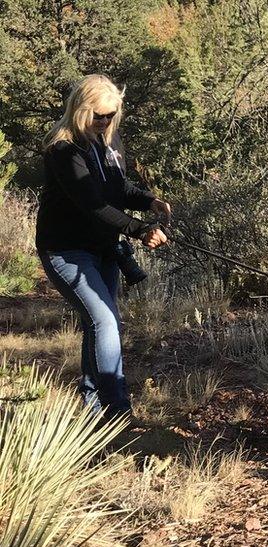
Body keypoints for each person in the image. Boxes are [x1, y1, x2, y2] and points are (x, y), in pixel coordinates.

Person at [36, 74, 170, 419]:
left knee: (99, 324)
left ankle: (93, 406)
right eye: (99, 116)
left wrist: (149, 199)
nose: (106, 121)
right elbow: (92, 203)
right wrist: (140, 230)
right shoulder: (63, 149)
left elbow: (116, 187)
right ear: (81, 110)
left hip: (104, 249)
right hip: (66, 251)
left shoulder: (107, 141)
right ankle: (118, 412)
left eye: (111, 115)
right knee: (105, 322)